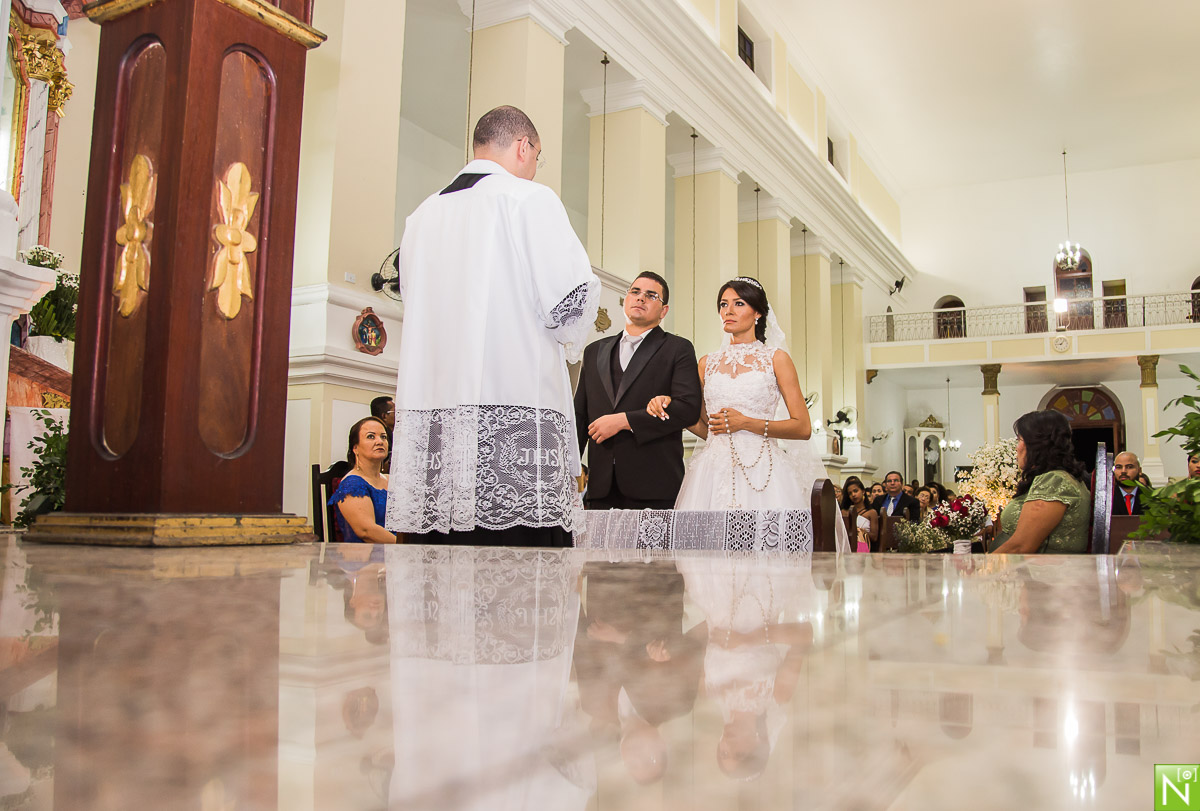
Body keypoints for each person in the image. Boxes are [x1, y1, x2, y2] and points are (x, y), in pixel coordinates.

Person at [385, 105, 598, 547]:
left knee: (440, 565)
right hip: (515, 408)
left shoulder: (422, 215)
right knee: (518, 574)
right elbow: (568, 303)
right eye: (538, 156)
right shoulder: (529, 198)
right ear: (524, 147)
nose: (536, 168)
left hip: (437, 420)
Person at [649, 278, 848, 551]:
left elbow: (802, 427)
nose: (728, 311)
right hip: (712, 473)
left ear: (758, 313)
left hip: (764, 472)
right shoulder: (707, 363)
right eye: (723, 304)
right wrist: (670, 403)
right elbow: (703, 424)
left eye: (738, 304)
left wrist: (747, 423)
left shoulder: (776, 359)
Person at [575, 271, 702, 509]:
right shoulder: (594, 351)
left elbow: (687, 409)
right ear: (627, 299)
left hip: (655, 483)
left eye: (651, 295)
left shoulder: (677, 348)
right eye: (635, 292)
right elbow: (580, 416)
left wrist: (625, 421)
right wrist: (569, 467)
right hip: (600, 487)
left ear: (663, 311)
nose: (640, 298)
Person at [991, 410, 1091, 554]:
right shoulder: (1055, 477)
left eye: (1019, 440)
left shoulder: (1055, 481)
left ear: (1035, 445)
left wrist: (982, 569)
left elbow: (1021, 546)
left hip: (1040, 573)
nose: (1016, 447)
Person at [329, 417, 399, 544]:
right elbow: (367, 531)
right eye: (371, 437)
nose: (379, 441)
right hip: (368, 558)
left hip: (397, 552)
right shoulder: (352, 484)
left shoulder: (391, 480)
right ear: (355, 448)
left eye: (383, 437)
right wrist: (410, 548)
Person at [839, 476, 877, 550]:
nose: (853, 495)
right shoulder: (844, 512)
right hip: (846, 547)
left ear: (863, 491)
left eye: (855, 491)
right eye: (850, 493)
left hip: (864, 548)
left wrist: (860, 531)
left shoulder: (871, 512)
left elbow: (874, 537)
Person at [1112, 451, 1145, 516]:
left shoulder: (1152, 496)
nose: (1123, 471)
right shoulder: (1107, 497)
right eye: (1119, 467)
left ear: (1139, 471)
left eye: (1129, 467)